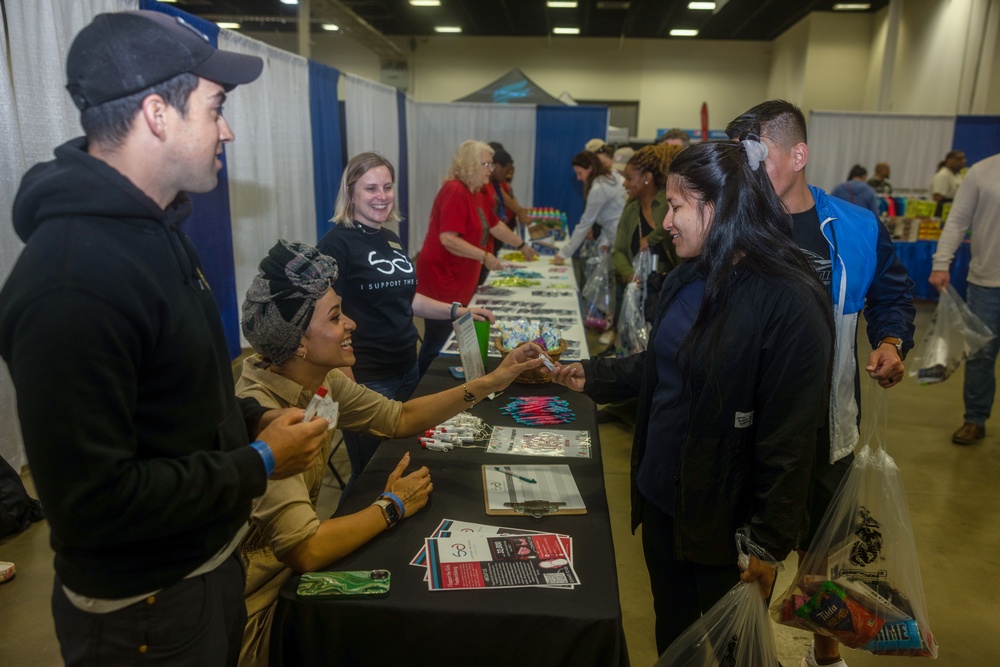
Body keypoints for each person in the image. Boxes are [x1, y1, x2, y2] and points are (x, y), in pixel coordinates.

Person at [0, 11, 329, 665]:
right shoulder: (71, 280)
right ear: (157, 112)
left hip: (201, 575)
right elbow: (95, 502)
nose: (227, 129)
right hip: (144, 614)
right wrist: (259, 461)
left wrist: (253, 418)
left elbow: (169, 399)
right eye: (215, 108)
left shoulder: (155, 235)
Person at [550, 140, 835, 653]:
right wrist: (588, 375)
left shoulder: (789, 301)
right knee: (674, 634)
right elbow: (662, 367)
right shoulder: (685, 276)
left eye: (678, 206)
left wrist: (767, 545)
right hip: (663, 499)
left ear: (720, 208)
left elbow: (790, 437)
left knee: (735, 650)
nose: (666, 222)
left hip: (725, 522)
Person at [236, 240, 545, 665]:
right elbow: (305, 549)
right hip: (265, 609)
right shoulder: (268, 418)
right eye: (335, 316)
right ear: (298, 342)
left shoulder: (318, 378)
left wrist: (494, 380)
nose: (351, 324)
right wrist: (392, 505)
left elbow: (397, 418)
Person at [727, 99, 916, 667]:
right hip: (754, 427)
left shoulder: (855, 228)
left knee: (821, 553)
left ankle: (824, 655)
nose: (749, 171)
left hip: (830, 424)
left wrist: (889, 341)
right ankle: (754, 654)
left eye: (758, 155)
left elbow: (891, 291)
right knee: (753, 556)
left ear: (798, 153)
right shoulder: (735, 226)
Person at [317, 152, 494, 487]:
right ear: (351, 192)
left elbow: (406, 298)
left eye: (387, 186)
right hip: (367, 378)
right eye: (371, 188)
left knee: (399, 463)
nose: (381, 196)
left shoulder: (391, 239)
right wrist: (347, 384)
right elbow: (326, 320)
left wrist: (457, 310)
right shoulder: (336, 245)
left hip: (406, 368)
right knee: (370, 477)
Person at [415, 140, 537, 375]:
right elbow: (448, 239)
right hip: (443, 277)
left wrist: (522, 245)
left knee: (451, 334)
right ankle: (421, 386)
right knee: (439, 337)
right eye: (486, 164)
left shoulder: (475, 192)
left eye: (491, 164)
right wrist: (484, 256)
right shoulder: (454, 190)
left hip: (459, 276)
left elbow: (495, 225)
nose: (491, 170)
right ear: (470, 165)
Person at [930, 151, 1000, 445]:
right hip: (987, 281)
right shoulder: (983, 172)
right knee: (981, 355)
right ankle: (975, 418)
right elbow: (958, 220)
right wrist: (940, 263)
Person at [612, 143, 684, 287]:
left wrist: (650, 239)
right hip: (638, 292)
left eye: (629, 178)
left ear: (647, 177)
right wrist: (630, 276)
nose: (624, 184)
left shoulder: (669, 205)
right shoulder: (631, 210)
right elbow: (618, 251)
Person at [553, 151, 626, 266]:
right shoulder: (610, 177)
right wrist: (606, 241)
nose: (578, 178)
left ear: (590, 169)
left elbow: (585, 224)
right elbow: (614, 213)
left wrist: (563, 253)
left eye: (580, 173)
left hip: (620, 239)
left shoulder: (599, 188)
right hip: (618, 235)